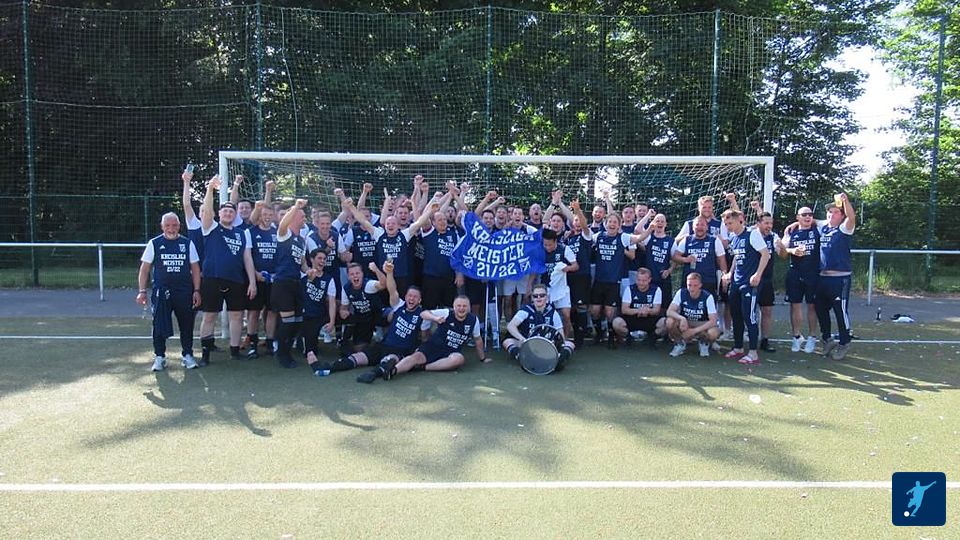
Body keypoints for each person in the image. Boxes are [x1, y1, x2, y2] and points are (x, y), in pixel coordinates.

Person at [350, 260, 446, 382]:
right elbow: (392, 290)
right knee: (357, 358)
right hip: (384, 345)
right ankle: (330, 368)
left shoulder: (422, 314)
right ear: (405, 297)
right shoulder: (399, 305)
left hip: (401, 351)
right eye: (410, 296)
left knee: (390, 360)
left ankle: (373, 374)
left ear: (419, 300)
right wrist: (389, 273)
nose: (412, 299)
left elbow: (424, 334)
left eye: (415, 297)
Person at [197, 176, 258, 366]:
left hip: (236, 280)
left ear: (235, 215)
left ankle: (234, 351)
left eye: (231, 211)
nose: (228, 213)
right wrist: (210, 189)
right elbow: (207, 210)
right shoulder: (211, 227)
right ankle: (205, 354)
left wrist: (252, 282)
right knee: (209, 316)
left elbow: (247, 259)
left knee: (237, 316)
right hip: (212, 279)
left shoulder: (242, 233)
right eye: (225, 210)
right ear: (219, 213)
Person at [367, 295, 488, 382]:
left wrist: (483, 359)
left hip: (450, 353)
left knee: (459, 359)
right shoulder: (447, 313)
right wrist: (435, 318)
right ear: (454, 306)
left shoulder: (473, 320)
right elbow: (423, 313)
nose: (461, 308)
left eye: (464, 306)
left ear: (469, 307)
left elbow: (478, 340)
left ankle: (422, 367)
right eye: (459, 305)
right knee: (415, 357)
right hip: (433, 346)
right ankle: (392, 371)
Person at [137, 212, 202, 371]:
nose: (171, 228)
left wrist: (197, 290)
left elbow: (195, 269)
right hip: (161, 292)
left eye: (174, 225)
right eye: (167, 225)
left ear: (179, 226)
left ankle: (187, 355)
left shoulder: (187, 243)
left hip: (184, 291)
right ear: (162, 226)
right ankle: (160, 357)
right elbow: (144, 269)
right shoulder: (154, 243)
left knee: (187, 324)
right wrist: (142, 291)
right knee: (159, 324)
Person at [589, 212, 649, 349]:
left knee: (610, 312)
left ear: (619, 225)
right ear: (605, 224)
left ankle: (611, 336)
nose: (612, 224)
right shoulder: (597, 236)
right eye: (610, 221)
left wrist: (650, 228)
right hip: (599, 281)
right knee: (595, 311)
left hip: (614, 282)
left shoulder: (623, 237)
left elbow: (640, 237)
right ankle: (599, 334)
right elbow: (585, 237)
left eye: (615, 222)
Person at [721, 208, 770, 365]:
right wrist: (730, 273)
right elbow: (737, 257)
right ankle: (738, 347)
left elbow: (766, 254)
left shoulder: (752, 234)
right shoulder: (733, 237)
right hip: (736, 282)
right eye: (726, 224)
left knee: (749, 316)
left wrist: (758, 274)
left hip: (749, 284)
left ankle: (753, 353)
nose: (728, 226)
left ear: (738, 220)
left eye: (730, 223)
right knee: (736, 315)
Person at [271, 199, 316, 368]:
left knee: (297, 321)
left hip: (296, 283)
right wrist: (296, 206)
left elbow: (302, 262)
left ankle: (287, 351)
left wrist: (308, 271)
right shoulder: (285, 233)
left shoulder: (301, 240)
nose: (305, 219)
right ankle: (282, 354)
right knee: (287, 321)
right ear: (294, 217)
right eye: (302, 216)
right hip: (283, 283)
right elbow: (283, 224)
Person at [815, 193, 856, 360]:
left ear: (842, 215)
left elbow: (852, 217)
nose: (831, 214)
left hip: (840, 279)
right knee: (820, 309)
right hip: (823, 278)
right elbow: (811, 221)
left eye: (836, 212)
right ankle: (827, 339)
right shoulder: (824, 227)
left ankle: (844, 342)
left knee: (840, 311)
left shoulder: (845, 228)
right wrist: (795, 224)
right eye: (829, 212)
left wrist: (845, 201)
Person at [502, 284, 575, 372]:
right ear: (532, 298)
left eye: (542, 295)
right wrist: (522, 339)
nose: (538, 298)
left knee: (569, 344)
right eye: (535, 296)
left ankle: (558, 361)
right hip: (528, 344)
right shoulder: (525, 310)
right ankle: (522, 359)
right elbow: (510, 326)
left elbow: (561, 335)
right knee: (507, 342)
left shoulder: (553, 313)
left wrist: (556, 345)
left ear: (547, 297)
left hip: (547, 345)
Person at [243, 181, 278, 358]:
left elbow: (281, 256)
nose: (267, 217)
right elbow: (247, 257)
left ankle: (270, 343)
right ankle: (253, 345)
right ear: (259, 215)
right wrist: (254, 276)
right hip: (256, 279)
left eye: (270, 214)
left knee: (271, 312)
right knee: (254, 312)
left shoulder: (277, 232)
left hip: (273, 279)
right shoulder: (250, 232)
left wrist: (276, 275)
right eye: (264, 214)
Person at [782, 206, 820, 353]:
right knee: (795, 305)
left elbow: (829, 221)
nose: (808, 217)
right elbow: (782, 252)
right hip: (795, 273)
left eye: (810, 214)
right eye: (804, 215)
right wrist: (792, 250)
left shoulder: (818, 229)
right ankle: (796, 337)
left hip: (813, 274)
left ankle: (812, 337)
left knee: (812, 306)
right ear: (797, 217)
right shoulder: (790, 232)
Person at [665, 272, 720, 357]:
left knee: (713, 332)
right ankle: (679, 343)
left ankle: (704, 343)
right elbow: (669, 311)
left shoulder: (707, 296)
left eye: (695, 285)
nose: (691, 288)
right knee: (669, 321)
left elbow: (713, 321)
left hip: (701, 322)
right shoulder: (681, 293)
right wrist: (682, 318)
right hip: (686, 321)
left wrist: (693, 331)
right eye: (689, 285)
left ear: (700, 285)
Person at [300, 249, 337, 368]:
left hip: (320, 315)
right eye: (319, 258)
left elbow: (332, 302)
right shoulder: (303, 275)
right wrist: (309, 278)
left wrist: (332, 322)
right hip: (305, 315)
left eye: (324, 259)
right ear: (312, 259)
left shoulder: (329, 279)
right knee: (310, 352)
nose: (322, 261)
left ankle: (343, 342)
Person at [751, 203, 780, 353]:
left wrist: (787, 249)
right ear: (759, 224)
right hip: (752, 280)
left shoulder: (773, 237)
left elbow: (781, 250)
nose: (769, 226)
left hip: (767, 280)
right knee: (749, 311)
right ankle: (748, 338)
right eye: (766, 223)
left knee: (767, 311)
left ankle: (765, 340)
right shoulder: (751, 235)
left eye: (771, 223)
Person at [339, 262, 387, 352]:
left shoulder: (368, 284)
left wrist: (376, 270)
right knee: (359, 349)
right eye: (352, 274)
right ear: (348, 276)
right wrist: (343, 312)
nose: (355, 276)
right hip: (363, 318)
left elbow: (383, 284)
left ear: (362, 274)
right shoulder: (346, 288)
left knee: (391, 315)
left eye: (357, 273)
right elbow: (343, 308)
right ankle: (345, 341)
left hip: (378, 313)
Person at [612, 268, 665, 350]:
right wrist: (639, 310)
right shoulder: (629, 289)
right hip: (632, 318)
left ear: (649, 280)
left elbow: (656, 310)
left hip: (649, 319)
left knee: (666, 323)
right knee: (616, 322)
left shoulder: (656, 290)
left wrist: (648, 311)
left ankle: (652, 337)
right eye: (639, 280)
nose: (641, 283)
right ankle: (628, 337)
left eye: (644, 280)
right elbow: (624, 309)